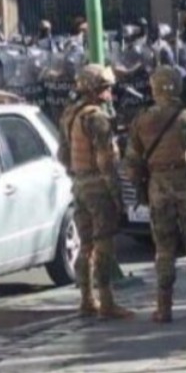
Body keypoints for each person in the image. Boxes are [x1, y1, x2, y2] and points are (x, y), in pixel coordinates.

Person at [126, 67, 186, 324]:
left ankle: (164, 307)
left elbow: (132, 163)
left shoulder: (142, 120)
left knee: (163, 248)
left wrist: (141, 187)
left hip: (158, 189)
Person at [58, 66, 135, 321]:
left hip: (79, 185)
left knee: (86, 246)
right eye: (105, 88)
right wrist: (117, 195)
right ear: (93, 90)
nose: (109, 93)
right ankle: (107, 302)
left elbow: (63, 155)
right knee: (103, 246)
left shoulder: (70, 115)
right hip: (98, 187)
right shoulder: (97, 119)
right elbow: (106, 161)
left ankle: (86, 300)